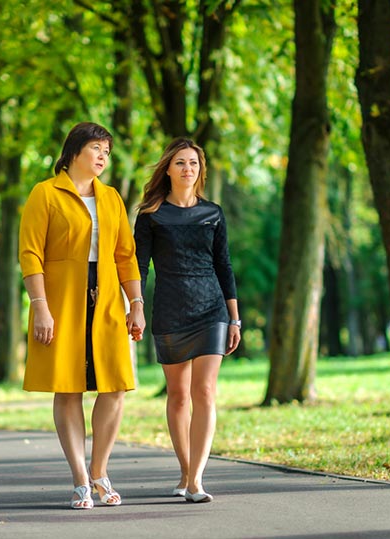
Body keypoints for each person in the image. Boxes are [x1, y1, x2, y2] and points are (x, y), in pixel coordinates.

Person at [18, 122, 146, 510]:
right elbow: (30, 253)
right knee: (68, 386)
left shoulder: (111, 198)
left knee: (116, 386)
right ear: (74, 151)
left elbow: (126, 255)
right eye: (96, 148)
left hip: (106, 298)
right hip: (60, 300)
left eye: (107, 150)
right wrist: (40, 305)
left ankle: (99, 471)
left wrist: (136, 303)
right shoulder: (45, 193)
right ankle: (79, 480)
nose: (103, 156)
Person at [134, 138, 241, 503]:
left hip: (212, 310)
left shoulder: (213, 212)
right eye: (180, 163)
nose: (187, 169)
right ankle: (184, 469)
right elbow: (139, 267)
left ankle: (196, 479)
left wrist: (235, 318)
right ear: (168, 169)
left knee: (205, 391)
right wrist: (134, 306)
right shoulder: (151, 215)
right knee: (179, 397)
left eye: (193, 163)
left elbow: (223, 265)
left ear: (200, 170)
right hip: (170, 310)